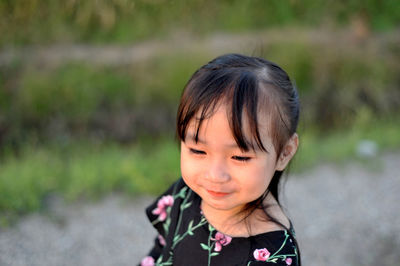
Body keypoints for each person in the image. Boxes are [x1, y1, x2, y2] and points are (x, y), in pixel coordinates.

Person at [140, 53, 301, 266]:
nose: (215, 175)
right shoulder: (186, 193)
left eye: (239, 157)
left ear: (285, 153)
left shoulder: (274, 255)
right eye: (198, 151)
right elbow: (161, 251)